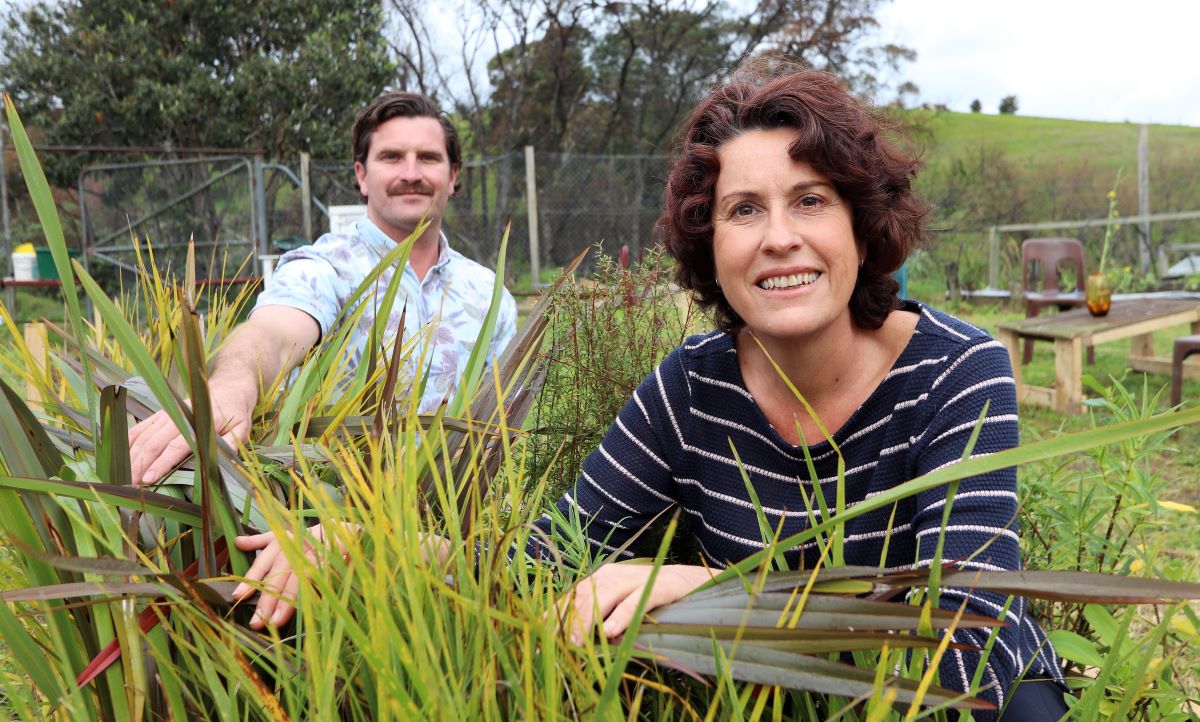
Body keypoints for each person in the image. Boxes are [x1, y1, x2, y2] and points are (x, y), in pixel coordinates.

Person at [536, 64, 1068, 719]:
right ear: (711, 244)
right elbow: (546, 560)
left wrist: (721, 591)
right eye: (744, 210)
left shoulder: (955, 372)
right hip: (772, 697)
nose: (780, 238)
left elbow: (970, 647)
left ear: (859, 223)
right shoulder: (689, 392)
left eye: (810, 200)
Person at [127, 91, 518, 485]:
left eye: (429, 158)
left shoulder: (488, 294)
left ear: (452, 177)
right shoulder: (325, 268)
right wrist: (232, 385)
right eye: (391, 157)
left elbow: (503, 426)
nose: (411, 173)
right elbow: (275, 332)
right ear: (362, 176)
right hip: (326, 522)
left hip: (454, 527)